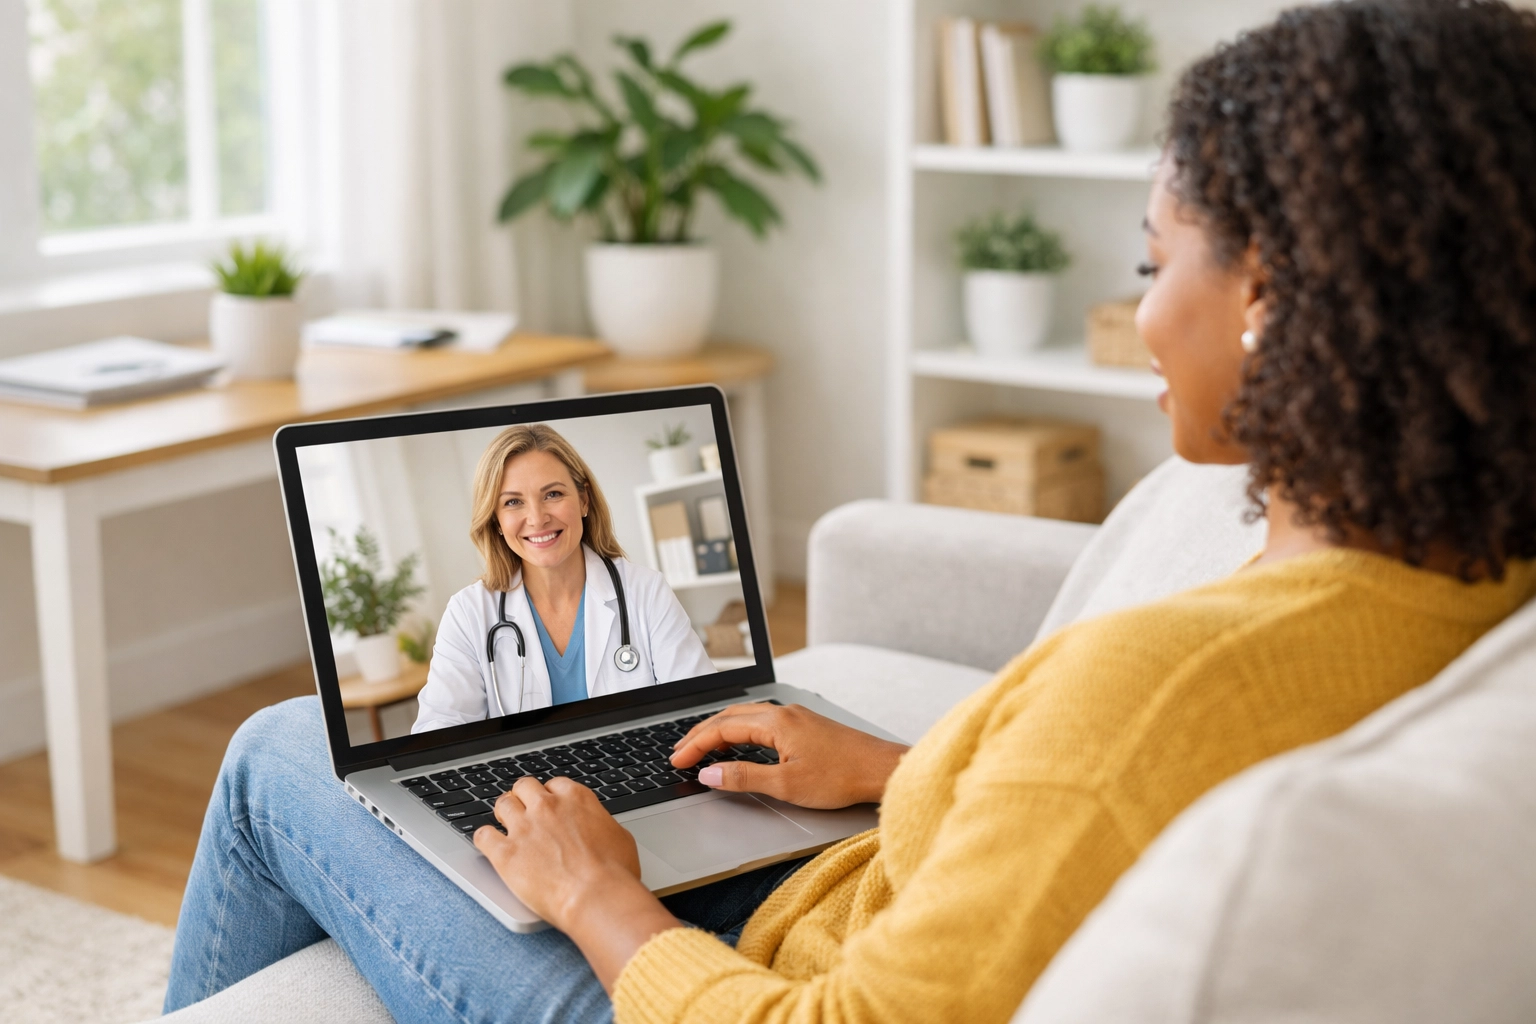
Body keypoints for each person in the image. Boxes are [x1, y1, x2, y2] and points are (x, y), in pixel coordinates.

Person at [164, 2, 1536, 1021]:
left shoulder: (1156, 694)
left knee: (286, 746)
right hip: (839, 883)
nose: (1135, 314)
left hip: (719, 984)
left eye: (1151, 259)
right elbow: (1084, 812)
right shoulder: (1468, 569)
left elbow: (1078, 800)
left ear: (1274, 299)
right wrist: (893, 770)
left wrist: (597, 896)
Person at [413, 423, 714, 730]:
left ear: (584, 500)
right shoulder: (469, 614)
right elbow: (438, 733)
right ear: (497, 521)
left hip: (638, 772)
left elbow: (703, 713)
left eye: (553, 494)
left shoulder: (645, 591)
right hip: (524, 779)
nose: (537, 518)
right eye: (513, 502)